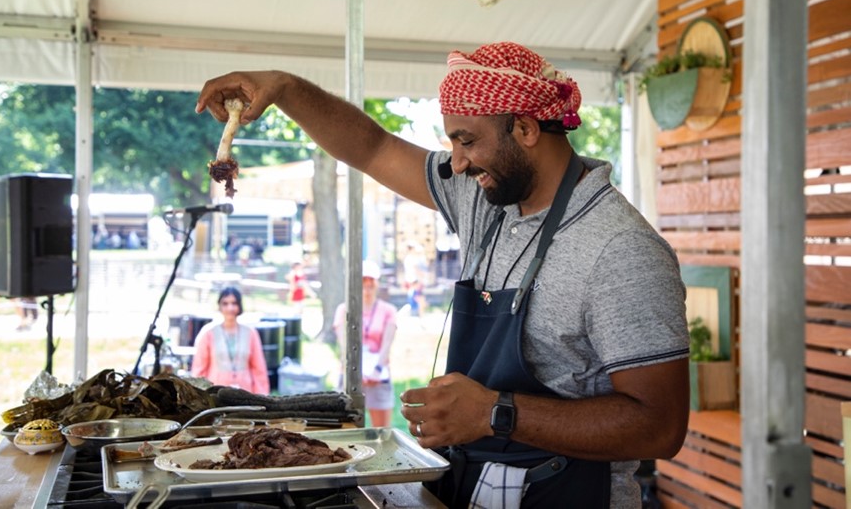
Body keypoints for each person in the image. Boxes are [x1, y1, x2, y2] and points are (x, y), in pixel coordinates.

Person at [196, 41, 690, 508]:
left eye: (467, 140)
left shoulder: (621, 250)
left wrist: (494, 413)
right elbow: (370, 148)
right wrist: (284, 88)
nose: (455, 161)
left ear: (525, 129)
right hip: (471, 483)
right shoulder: (482, 195)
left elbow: (661, 426)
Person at [333, 260, 397, 428]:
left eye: (371, 283)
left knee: (381, 431)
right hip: (350, 372)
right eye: (363, 283)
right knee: (344, 428)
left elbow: (387, 345)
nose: (367, 288)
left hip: (378, 373)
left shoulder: (388, 310)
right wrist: (355, 371)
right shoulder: (343, 310)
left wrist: (376, 370)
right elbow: (343, 344)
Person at [191, 287, 270, 394]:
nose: (230, 308)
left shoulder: (250, 333)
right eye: (225, 303)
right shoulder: (208, 333)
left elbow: (259, 369)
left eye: (234, 303)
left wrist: (262, 396)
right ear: (219, 305)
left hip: (245, 394)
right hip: (215, 393)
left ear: (239, 305)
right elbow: (199, 369)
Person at [402, 242, 428, 317]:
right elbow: (416, 269)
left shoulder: (408, 258)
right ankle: (418, 314)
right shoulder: (411, 258)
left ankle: (418, 314)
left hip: (411, 280)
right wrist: (423, 276)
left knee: (416, 298)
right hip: (414, 280)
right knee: (418, 298)